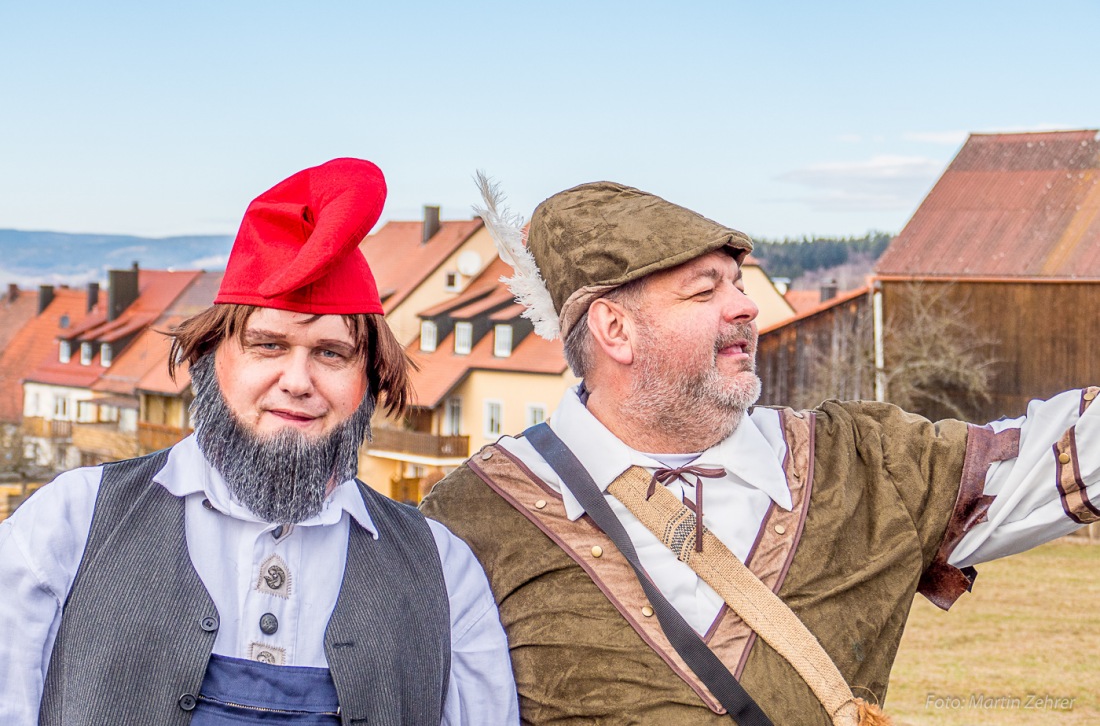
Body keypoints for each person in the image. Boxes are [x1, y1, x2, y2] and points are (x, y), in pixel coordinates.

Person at [420, 179, 1100, 724]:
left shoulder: (865, 465)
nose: (746, 307)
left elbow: (1065, 454)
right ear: (615, 329)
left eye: (739, 282)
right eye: (706, 289)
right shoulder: (472, 520)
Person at [0, 158, 518, 725]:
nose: (298, 382)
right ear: (208, 360)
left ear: (368, 382)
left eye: (331, 353)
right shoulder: (69, 526)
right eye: (268, 345)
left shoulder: (442, 572)